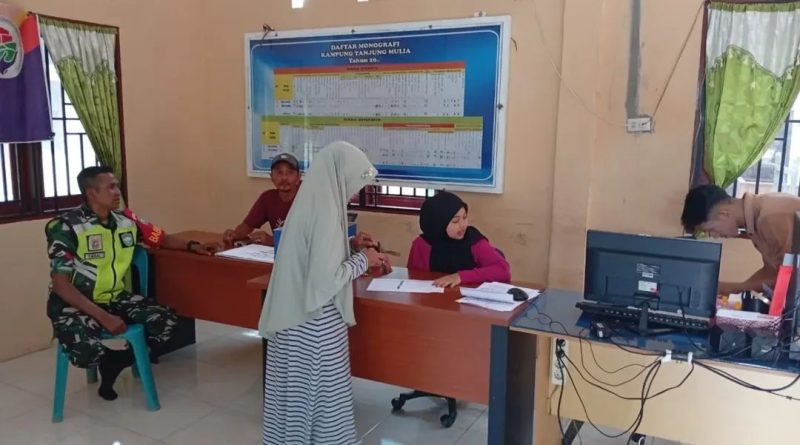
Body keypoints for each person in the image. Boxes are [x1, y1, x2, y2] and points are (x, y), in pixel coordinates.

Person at [46, 166, 221, 401]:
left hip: (114, 297)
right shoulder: (66, 226)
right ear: (92, 193)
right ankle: (109, 361)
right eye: (110, 187)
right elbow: (61, 285)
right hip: (75, 302)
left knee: (167, 321)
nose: (117, 192)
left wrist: (192, 246)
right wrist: (104, 317)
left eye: (117, 186)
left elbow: (161, 238)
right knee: (85, 350)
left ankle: (117, 361)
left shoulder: (127, 221)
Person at [258, 141, 391, 445]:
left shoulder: (311, 201)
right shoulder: (327, 211)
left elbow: (315, 255)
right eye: (354, 182)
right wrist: (364, 259)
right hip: (313, 325)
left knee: (294, 399)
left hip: (292, 321)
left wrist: (351, 246)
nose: (354, 192)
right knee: (322, 400)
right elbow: (324, 280)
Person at [681, 184, 800, 294]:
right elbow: (772, 272)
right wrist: (738, 290)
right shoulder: (755, 218)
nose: (714, 235)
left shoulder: (768, 218)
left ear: (723, 214)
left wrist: (727, 288)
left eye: (711, 229)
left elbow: (792, 277)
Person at [407, 191, 511, 287]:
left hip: (469, 297)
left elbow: (503, 270)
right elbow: (412, 277)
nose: (463, 225)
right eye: (455, 221)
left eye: (465, 217)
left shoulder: (473, 240)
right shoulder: (421, 244)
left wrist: (460, 277)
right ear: (438, 224)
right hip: (434, 297)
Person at [223, 152, 302, 246]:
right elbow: (247, 226)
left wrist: (273, 241)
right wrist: (234, 235)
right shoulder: (268, 198)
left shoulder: (308, 198)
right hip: (277, 254)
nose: (284, 178)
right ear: (271, 177)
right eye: (279, 172)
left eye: (290, 173)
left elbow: (309, 241)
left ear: (298, 177)